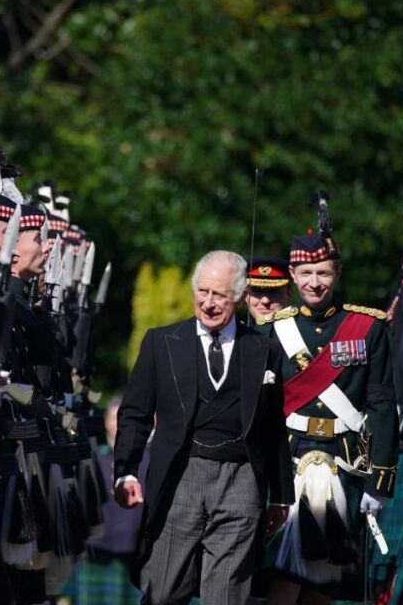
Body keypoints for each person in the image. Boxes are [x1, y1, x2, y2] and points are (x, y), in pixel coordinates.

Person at [114, 250, 293, 604]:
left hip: (241, 480)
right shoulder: (161, 342)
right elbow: (134, 413)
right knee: (163, 591)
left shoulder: (264, 349)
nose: (209, 303)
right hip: (180, 476)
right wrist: (126, 472)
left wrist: (281, 495)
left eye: (220, 295)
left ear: (240, 298)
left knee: (227, 596)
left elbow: (273, 427)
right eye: (203, 292)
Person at [265, 219, 397, 605]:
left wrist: (381, 481)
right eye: (305, 273)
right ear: (292, 274)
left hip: (347, 464)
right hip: (287, 464)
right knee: (282, 580)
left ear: (337, 272)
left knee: (326, 585)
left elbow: (383, 404)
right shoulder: (273, 330)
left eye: (323, 272)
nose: (314, 282)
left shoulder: (367, 327)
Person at [61, 397, 150, 605]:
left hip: (133, 549)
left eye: (123, 418)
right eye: (113, 417)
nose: (117, 424)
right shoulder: (92, 457)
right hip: (97, 547)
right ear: (104, 422)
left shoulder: (146, 458)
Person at [245, 256, 292, 335]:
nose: (265, 300)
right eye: (257, 291)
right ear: (245, 296)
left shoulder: (301, 334)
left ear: (289, 294)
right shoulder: (234, 336)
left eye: (273, 292)